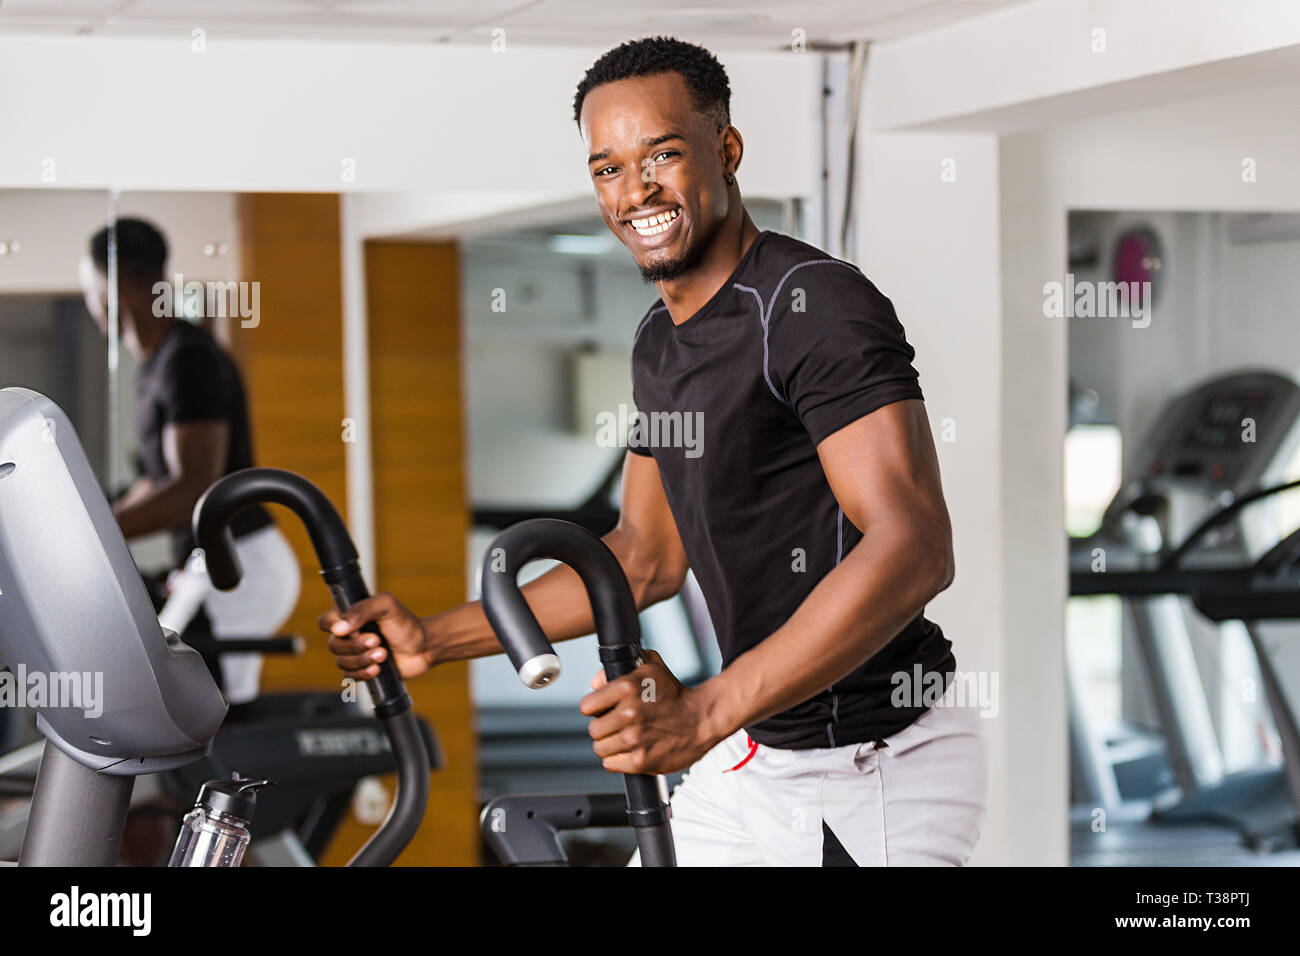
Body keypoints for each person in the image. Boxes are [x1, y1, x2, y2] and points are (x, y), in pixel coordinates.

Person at [322, 37, 987, 865]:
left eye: (661, 155)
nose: (634, 191)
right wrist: (433, 636)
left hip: (876, 764)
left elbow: (915, 544)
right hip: (756, 757)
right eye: (607, 168)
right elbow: (641, 559)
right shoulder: (657, 342)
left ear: (727, 149)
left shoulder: (811, 305)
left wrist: (703, 711)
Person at [80, 217, 300, 704]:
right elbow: (155, 483)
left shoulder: (188, 359)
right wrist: (89, 519)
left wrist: (93, 535)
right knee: (165, 693)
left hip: (242, 561)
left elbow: (192, 487)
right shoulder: (157, 364)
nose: (90, 302)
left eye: (91, 289)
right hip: (210, 561)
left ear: (114, 286)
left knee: (204, 705)